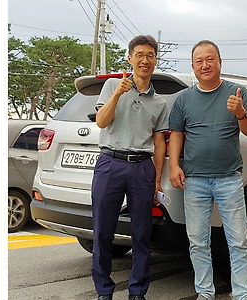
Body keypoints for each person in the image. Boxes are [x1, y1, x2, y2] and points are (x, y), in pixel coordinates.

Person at [168, 40, 247, 300]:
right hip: (194, 180)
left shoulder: (236, 93)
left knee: (239, 240)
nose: (205, 65)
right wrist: (174, 165)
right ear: (193, 66)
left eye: (210, 59)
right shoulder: (184, 98)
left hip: (229, 179)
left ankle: (242, 293)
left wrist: (241, 113)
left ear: (220, 62)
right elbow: (176, 134)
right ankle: (205, 293)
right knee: (198, 241)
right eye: (199, 61)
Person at [91, 35, 169, 300]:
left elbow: (159, 143)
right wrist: (117, 94)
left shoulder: (159, 103)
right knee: (102, 230)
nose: (144, 60)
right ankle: (104, 291)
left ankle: (137, 292)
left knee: (142, 232)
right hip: (110, 163)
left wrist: (157, 176)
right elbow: (102, 122)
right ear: (130, 58)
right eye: (139, 55)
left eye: (150, 55)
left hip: (141, 168)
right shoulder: (114, 85)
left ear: (155, 60)